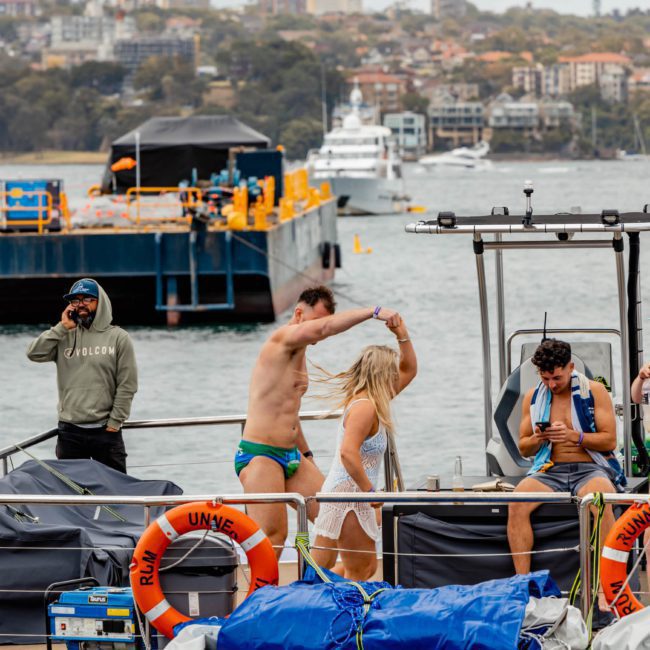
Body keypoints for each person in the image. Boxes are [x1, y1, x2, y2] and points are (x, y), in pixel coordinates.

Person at [236, 285, 402, 558]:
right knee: (274, 535)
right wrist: (373, 312)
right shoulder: (283, 340)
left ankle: (317, 589)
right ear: (299, 313)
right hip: (260, 456)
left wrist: (308, 455)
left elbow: (290, 412)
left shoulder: (300, 353)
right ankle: (258, 598)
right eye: (317, 321)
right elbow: (326, 329)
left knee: (332, 518)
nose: (320, 330)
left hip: (292, 455)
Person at [311, 318, 416, 581]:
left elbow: (410, 369)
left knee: (335, 570)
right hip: (349, 496)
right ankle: (333, 612)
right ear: (382, 374)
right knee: (360, 569)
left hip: (348, 493)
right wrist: (370, 491)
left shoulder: (373, 401)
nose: (396, 376)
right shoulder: (365, 407)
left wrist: (401, 334)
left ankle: (312, 601)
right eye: (392, 371)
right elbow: (348, 452)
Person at [507, 339, 623, 576]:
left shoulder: (594, 391)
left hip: (589, 468)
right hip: (549, 469)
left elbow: (609, 441)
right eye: (545, 378)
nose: (551, 385)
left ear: (570, 368)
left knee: (601, 502)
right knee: (516, 503)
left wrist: (574, 436)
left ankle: (607, 582)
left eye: (557, 378)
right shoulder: (533, 397)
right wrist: (539, 438)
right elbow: (523, 448)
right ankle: (522, 582)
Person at [27, 278, 138, 473]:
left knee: (116, 494)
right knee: (73, 495)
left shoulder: (119, 338)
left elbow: (127, 384)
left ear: (100, 302)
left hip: (106, 432)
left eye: (87, 299)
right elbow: (33, 353)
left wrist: (114, 422)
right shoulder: (63, 336)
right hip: (70, 432)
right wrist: (61, 327)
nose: (81, 305)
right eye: (75, 301)